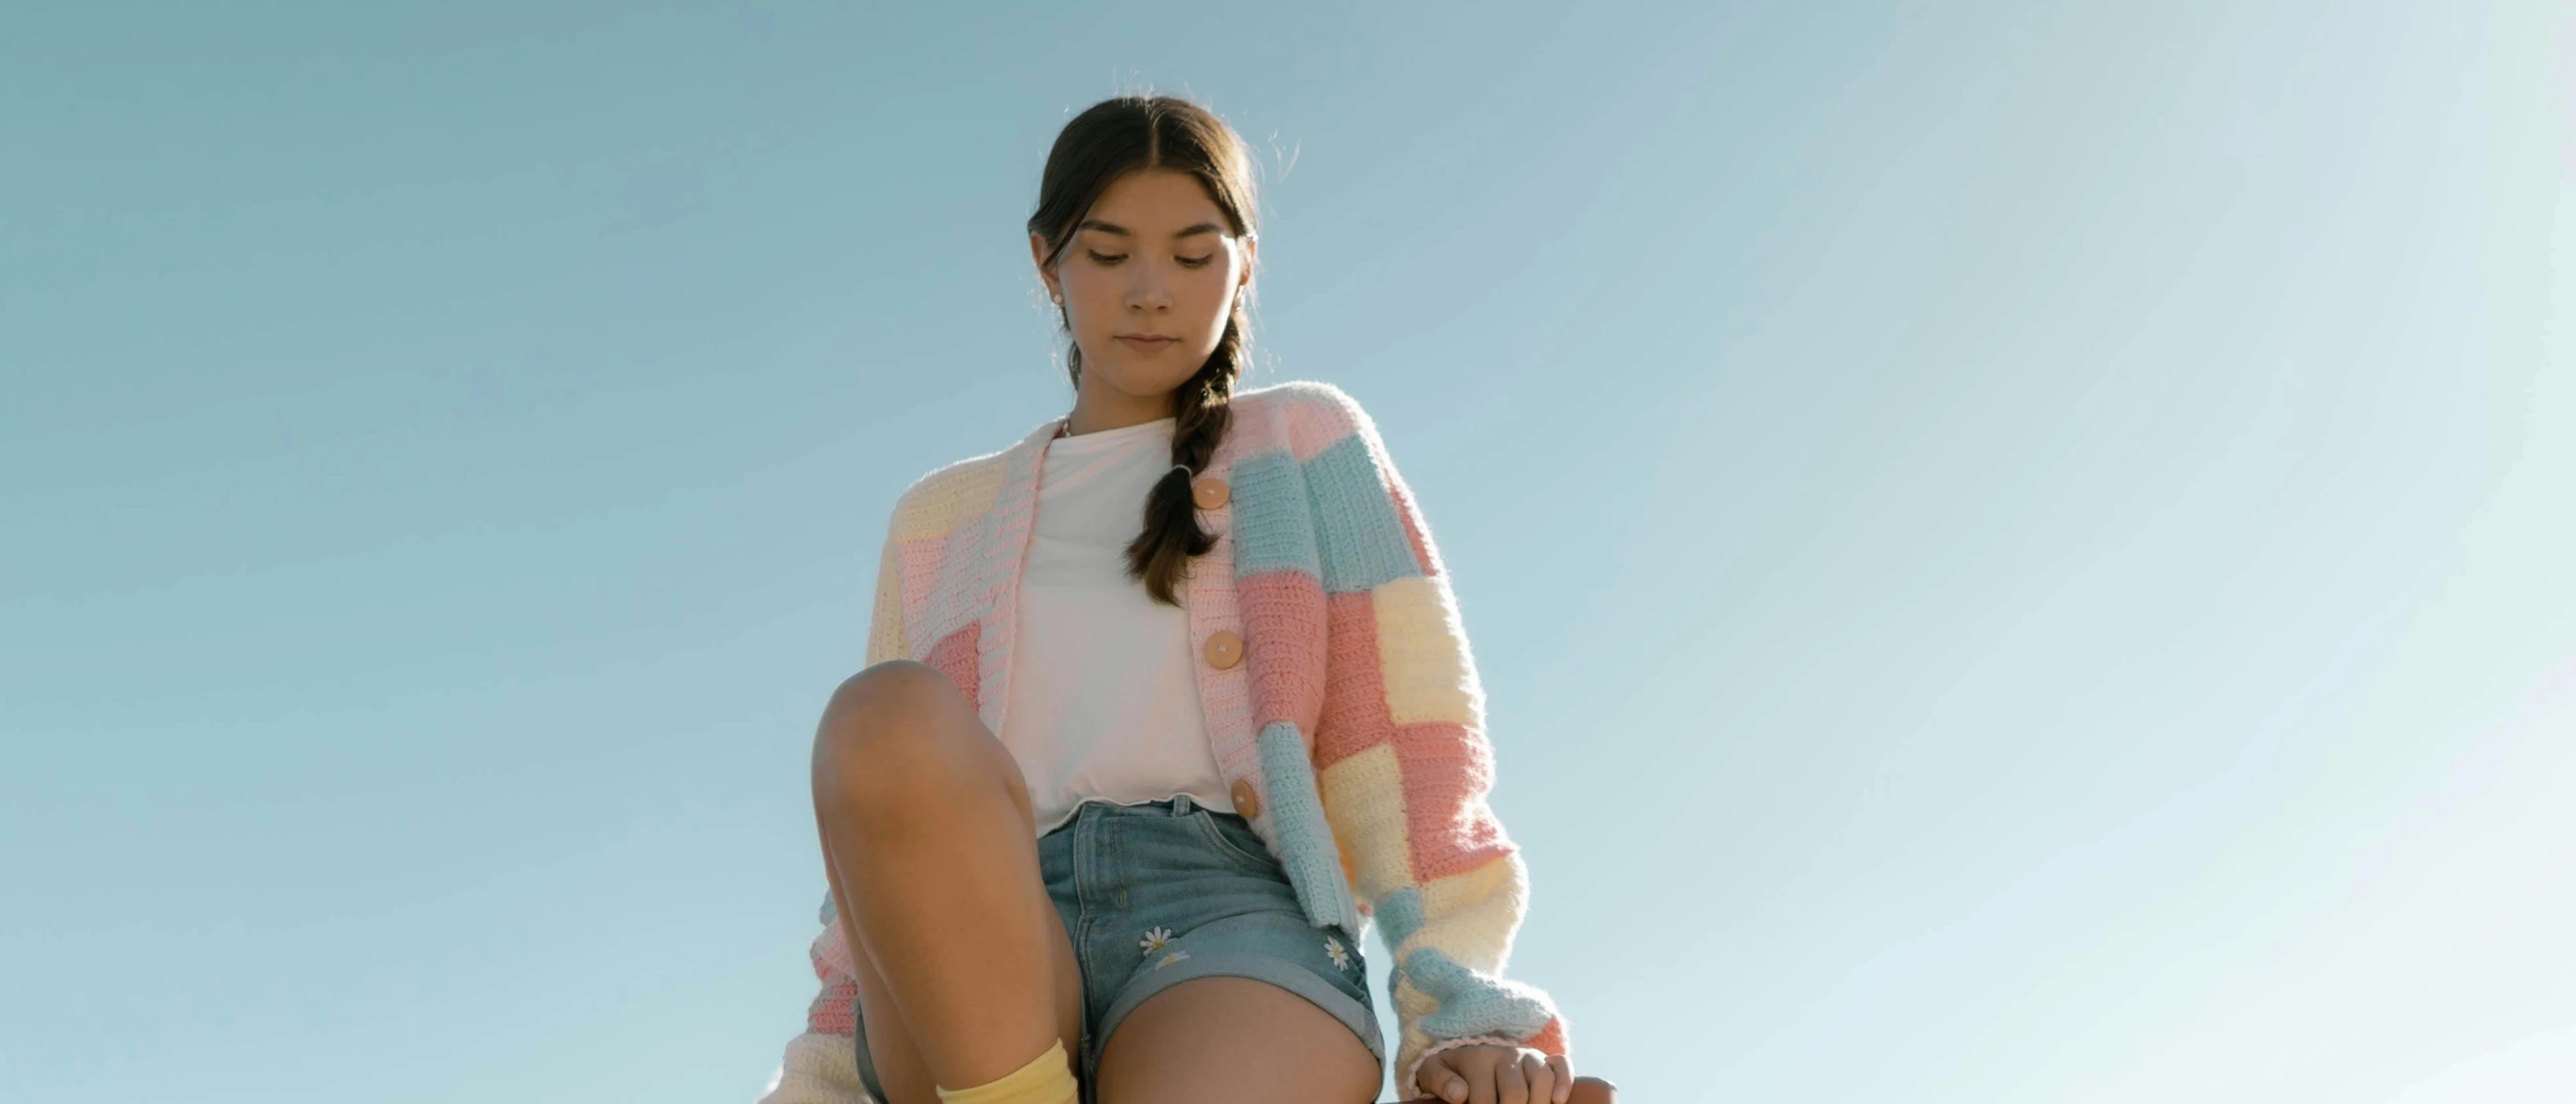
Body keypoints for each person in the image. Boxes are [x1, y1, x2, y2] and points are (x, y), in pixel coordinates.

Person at [759, 94, 1571, 1104]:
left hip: (1228, 923)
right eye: (1107, 254)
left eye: (1193, 255)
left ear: (1244, 265)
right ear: (1044, 262)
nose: (1150, 292)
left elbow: (1407, 759)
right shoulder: (938, 521)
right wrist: (818, 1080)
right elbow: (877, 861)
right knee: (879, 717)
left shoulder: (1303, 445)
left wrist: (1458, 1018)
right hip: (980, 937)